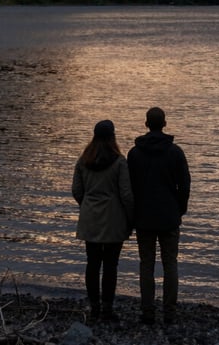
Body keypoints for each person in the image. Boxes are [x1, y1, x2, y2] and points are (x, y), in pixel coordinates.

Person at [127, 107, 191, 325]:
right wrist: (180, 208)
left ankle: (147, 311)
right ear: (164, 124)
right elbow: (185, 184)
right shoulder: (175, 152)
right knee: (170, 263)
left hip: (144, 216)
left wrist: (132, 213)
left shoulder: (134, 154)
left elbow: (130, 187)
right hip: (168, 216)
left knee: (146, 264)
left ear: (146, 124)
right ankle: (169, 312)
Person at [72, 119, 134, 322]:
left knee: (92, 263)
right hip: (113, 219)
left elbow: (77, 191)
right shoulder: (119, 161)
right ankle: (107, 308)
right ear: (112, 137)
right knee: (110, 265)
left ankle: (94, 308)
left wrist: (87, 205)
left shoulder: (83, 161)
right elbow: (126, 194)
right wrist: (130, 217)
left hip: (90, 217)